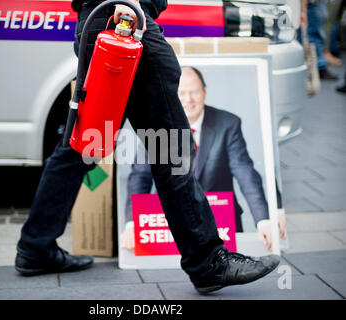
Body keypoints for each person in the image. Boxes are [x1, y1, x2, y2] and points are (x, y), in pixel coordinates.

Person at [15, 0, 280, 294]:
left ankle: (35, 246)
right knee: (172, 148)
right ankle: (208, 262)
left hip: (103, 20)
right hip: (126, 19)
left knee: (86, 144)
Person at [121, 66, 286, 253]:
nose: (188, 100)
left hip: (220, 222)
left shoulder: (228, 124)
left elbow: (245, 173)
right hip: (169, 225)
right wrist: (132, 222)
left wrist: (263, 220)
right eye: (181, 93)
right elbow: (140, 177)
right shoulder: (155, 126)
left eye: (194, 92)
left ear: (205, 92)